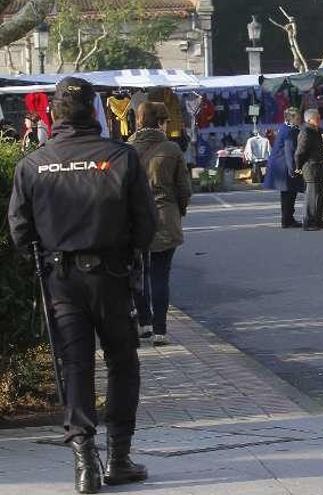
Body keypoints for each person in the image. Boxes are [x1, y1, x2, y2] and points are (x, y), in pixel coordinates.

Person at [7, 77, 156, 493]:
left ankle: (84, 461)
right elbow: (147, 228)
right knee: (123, 363)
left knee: (74, 366)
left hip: (61, 279)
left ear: (52, 114)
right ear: (94, 113)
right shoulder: (121, 158)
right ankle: (119, 457)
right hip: (111, 275)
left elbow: (20, 233)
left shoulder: (33, 165)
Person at [130, 102, 192, 347]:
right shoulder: (172, 149)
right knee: (160, 275)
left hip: (134, 219)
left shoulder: (126, 150)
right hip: (165, 215)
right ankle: (160, 330)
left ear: (138, 121)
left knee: (137, 273)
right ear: (160, 122)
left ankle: (143, 322)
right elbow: (184, 189)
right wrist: (179, 211)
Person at [262, 108, 304, 228]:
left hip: (281, 164)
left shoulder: (285, 128)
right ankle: (287, 220)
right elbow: (289, 151)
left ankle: (287, 219)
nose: (300, 119)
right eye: (297, 118)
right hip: (283, 165)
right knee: (289, 193)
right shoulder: (289, 131)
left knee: (288, 193)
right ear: (290, 119)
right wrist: (293, 169)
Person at [296, 109, 323, 231]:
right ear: (309, 119)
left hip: (319, 166)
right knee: (311, 196)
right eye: (317, 117)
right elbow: (300, 152)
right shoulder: (306, 132)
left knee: (319, 195)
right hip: (311, 167)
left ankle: (318, 220)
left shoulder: (316, 131)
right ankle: (308, 222)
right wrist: (298, 167)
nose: (319, 119)